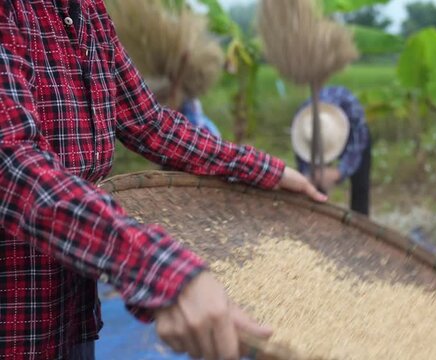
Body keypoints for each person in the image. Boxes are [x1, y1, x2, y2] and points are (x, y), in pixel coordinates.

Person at [0, 2, 326, 359]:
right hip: (17, 321)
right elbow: (12, 163)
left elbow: (149, 124)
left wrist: (263, 168)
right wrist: (159, 269)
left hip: (71, 309)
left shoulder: (88, 12)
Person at [292, 86, 371, 215]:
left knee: (360, 185)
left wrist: (339, 173)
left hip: (355, 136)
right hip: (314, 143)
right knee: (315, 184)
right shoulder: (303, 124)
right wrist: (308, 178)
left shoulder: (352, 110)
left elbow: (357, 149)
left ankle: (360, 220)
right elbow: (303, 162)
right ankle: (317, 216)